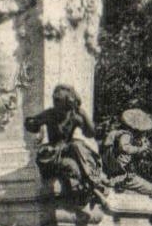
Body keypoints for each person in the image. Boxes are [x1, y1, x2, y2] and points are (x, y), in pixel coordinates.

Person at [24, 84, 109, 214]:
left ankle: (91, 186)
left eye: (59, 101)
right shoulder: (50, 114)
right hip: (52, 155)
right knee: (72, 164)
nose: (56, 104)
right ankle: (94, 187)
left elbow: (90, 133)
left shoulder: (73, 116)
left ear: (68, 104)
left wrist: (83, 114)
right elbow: (32, 124)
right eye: (55, 100)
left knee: (77, 145)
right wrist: (34, 125)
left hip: (67, 150)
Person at [100, 107, 152, 226]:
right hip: (123, 176)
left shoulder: (116, 133)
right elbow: (124, 147)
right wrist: (140, 148)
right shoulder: (126, 135)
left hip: (115, 174)